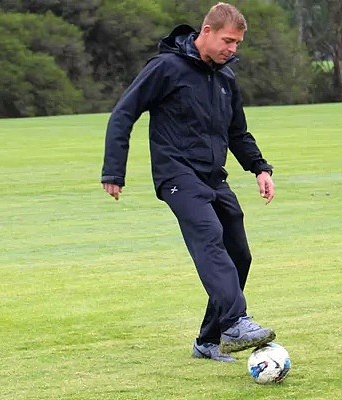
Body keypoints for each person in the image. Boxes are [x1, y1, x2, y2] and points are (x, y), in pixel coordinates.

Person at [100, 2, 276, 362]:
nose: (233, 49)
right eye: (228, 41)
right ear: (206, 32)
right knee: (209, 236)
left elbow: (237, 132)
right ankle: (236, 320)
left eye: (238, 44)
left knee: (239, 253)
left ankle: (209, 340)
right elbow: (124, 113)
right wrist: (113, 171)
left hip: (214, 177)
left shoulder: (226, 77)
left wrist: (260, 167)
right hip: (176, 174)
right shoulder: (166, 68)